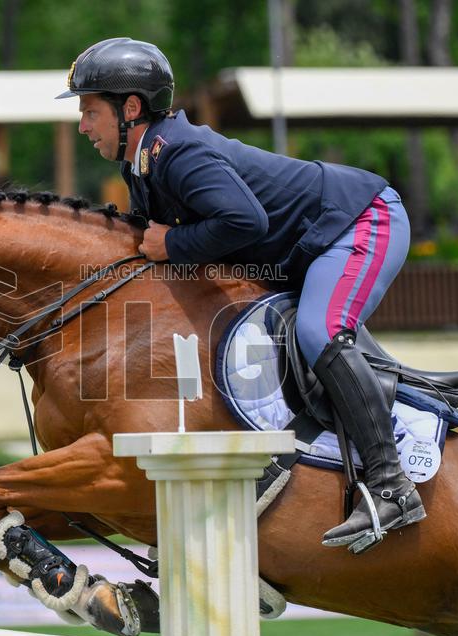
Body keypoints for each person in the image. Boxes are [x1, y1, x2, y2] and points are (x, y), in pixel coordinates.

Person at [57, 37, 425, 553]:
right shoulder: (142, 164)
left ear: (130, 109)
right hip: (308, 246)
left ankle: (392, 486)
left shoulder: (177, 154)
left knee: (319, 332)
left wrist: (174, 242)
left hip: (360, 221)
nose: (82, 126)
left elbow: (244, 220)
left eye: (89, 110)